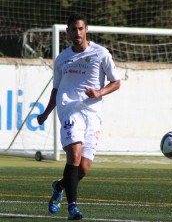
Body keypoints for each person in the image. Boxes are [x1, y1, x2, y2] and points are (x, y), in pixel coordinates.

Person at [37, 13, 120, 220]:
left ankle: (59, 186)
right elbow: (56, 90)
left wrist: (99, 93)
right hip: (70, 110)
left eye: (80, 29)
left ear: (87, 30)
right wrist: (46, 113)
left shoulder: (101, 54)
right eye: (73, 29)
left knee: (83, 167)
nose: (77, 33)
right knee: (73, 155)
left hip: (92, 114)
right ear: (68, 32)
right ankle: (72, 207)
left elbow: (116, 82)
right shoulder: (62, 58)